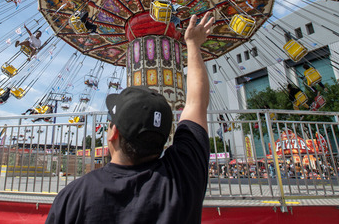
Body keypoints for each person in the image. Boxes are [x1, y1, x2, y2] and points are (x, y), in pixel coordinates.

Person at [45, 12, 214, 224]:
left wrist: (192, 44)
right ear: (163, 138)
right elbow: (196, 103)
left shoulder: (73, 197)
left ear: (113, 133)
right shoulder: (183, 179)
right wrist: (193, 45)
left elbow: (196, 105)